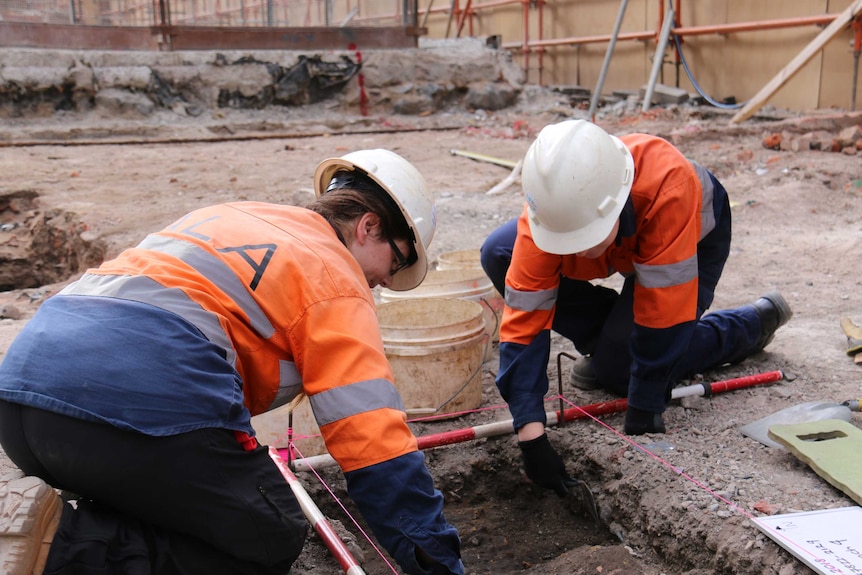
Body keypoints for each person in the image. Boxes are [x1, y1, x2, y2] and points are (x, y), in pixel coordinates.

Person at [0, 148, 464, 575]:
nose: (383, 281)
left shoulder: (230, 214)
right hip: (131, 407)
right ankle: (64, 550)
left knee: (178, 503)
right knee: (270, 531)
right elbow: (373, 441)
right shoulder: (333, 275)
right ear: (369, 226)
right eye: (396, 263)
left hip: (23, 399)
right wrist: (434, 558)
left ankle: (42, 529)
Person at [480, 119, 792, 496]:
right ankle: (613, 340)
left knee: (622, 373)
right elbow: (524, 323)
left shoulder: (668, 186)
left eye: (583, 237)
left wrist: (645, 400)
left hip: (690, 237)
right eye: (565, 239)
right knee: (501, 251)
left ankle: (751, 323)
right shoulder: (553, 211)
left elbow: (664, 313)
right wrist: (530, 436)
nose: (575, 250)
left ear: (614, 203)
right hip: (624, 243)